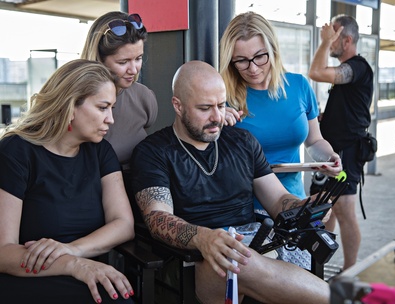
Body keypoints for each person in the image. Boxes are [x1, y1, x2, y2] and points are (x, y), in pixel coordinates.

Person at [131, 60, 330, 304]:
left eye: (221, 105)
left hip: (254, 249)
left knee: (242, 257)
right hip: (190, 262)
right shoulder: (154, 152)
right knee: (236, 259)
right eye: (205, 108)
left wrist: (303, 207)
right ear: (178, 106)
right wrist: (204, 238)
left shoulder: (242, 142)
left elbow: (277, 199)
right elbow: (157, 218)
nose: (217, 117)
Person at [0, 59, 135, 304]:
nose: (111, 119)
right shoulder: (16, 152)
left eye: (112, 108)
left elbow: (123, 223)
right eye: (103, 107)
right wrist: (72, 264)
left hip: (88, 275)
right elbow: (2, 251)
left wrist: (75, 250)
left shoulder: (101, 152)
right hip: (29, 278)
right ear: (70, 105)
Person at [219, 11, 342, 269]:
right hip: (246, 212)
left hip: (295, 203)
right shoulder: (222, 95)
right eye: (241, 61)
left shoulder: (298, 86)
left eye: (259, 57)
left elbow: (314, 141)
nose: (252, 68)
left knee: (304, 280)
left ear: (273, 50)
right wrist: (218, 122)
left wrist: (329, 157)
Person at [308, 15, 373, 270]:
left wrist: (324, 43)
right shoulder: (347, 72)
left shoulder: (358, 67)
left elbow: (316, 72)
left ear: (346, 40)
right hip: (330, 150)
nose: (329, 39)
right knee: (323, 210)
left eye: (333, 35)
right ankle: (318, 265)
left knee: (344, 211)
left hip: (348, 149)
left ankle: (350, 271)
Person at [81, 11, 158, 217]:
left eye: (139, 58)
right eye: (123, 62)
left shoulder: (144, 97)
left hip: (135, 200)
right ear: (100, 59)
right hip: (83, 200)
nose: (134, 69)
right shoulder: (75, 99)